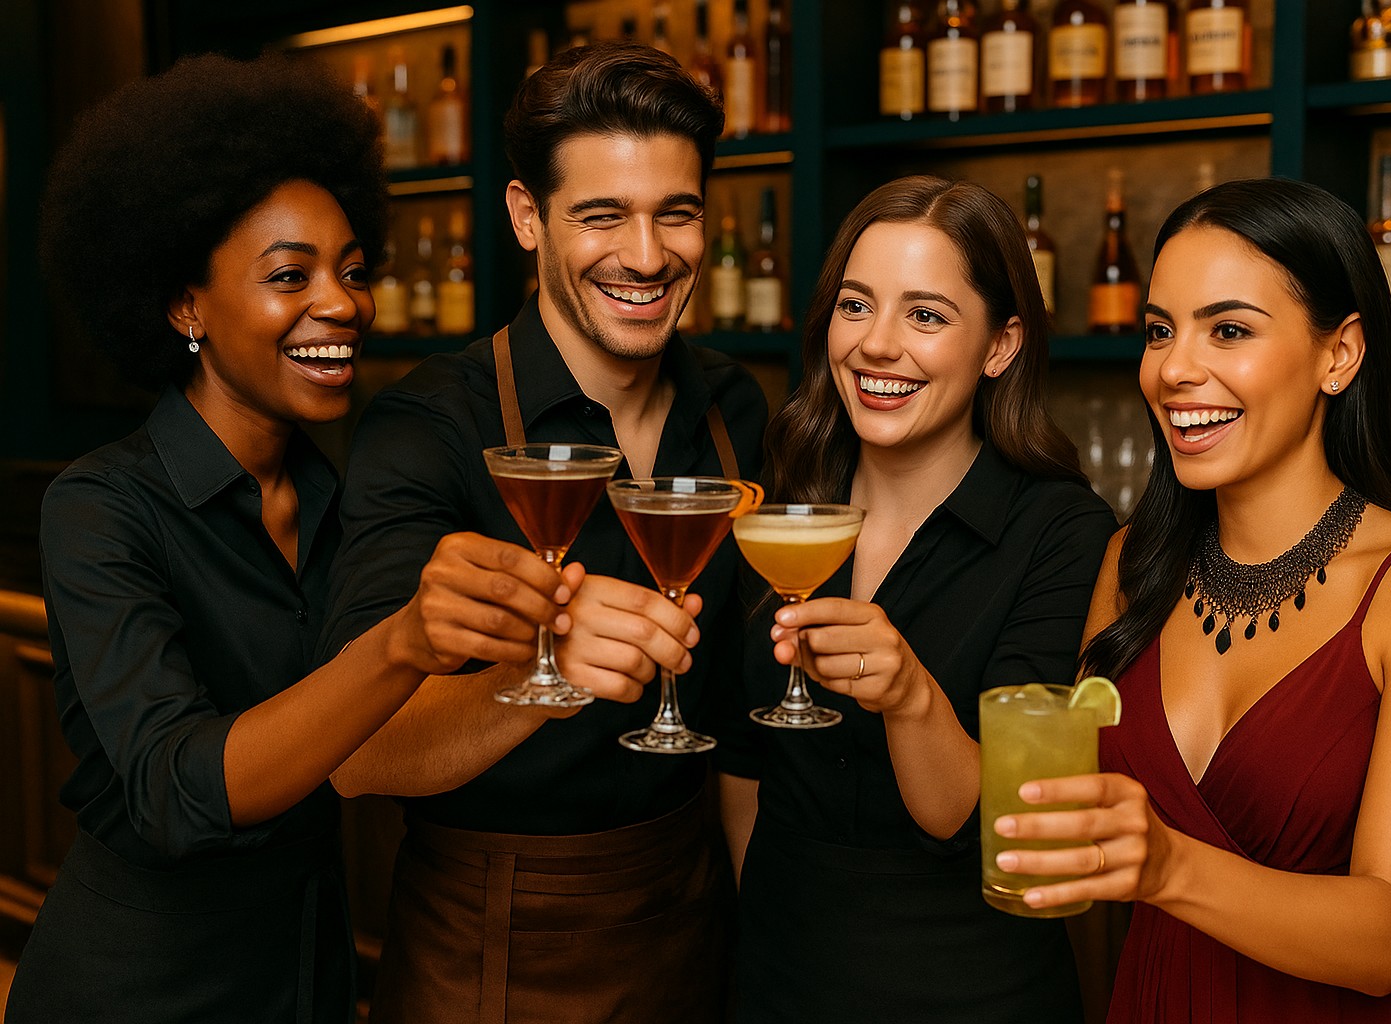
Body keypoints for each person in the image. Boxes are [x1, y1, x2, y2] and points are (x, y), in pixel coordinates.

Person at [8, 53, 568, 1024]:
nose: (343, 304)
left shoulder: (337, 497)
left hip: (310, 974)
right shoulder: (101, 507)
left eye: (353, 272)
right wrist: (398, 646)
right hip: (142, 990)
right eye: (289, 275)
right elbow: (176, 787)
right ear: (186, 305)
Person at [318, 43, 766, 1024]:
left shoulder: (735, 408)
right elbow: (361, 753)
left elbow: (739, 724)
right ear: (529, 217)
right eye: (602, 216)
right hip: (497, 939)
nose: (645, 256)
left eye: (675, 214)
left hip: (699, 927)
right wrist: (542, 669)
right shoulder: (430, 428)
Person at [992, 178, 1391, 1021]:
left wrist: (1169, 867)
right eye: (1160, 332)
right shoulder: (1131, 565)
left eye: (1228, 329)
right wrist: (905, 692)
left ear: (1339, 354)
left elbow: (1389, 938)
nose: (1175, 369)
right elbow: (1048, 813)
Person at [716, 175, 1118, 1022]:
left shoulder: (1061, 532)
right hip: (779, 972)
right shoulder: (781, 498)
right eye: (855, 306)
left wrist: (908, 694)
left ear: (1001, 345)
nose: (876, 345)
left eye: (926, 315)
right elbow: (743, 768)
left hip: (967, 985)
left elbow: (973, 816)